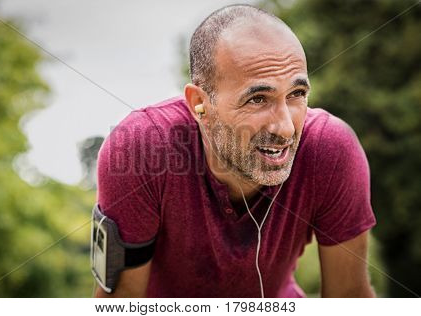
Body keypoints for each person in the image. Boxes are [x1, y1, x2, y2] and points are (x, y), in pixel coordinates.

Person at [95, 4, 377, 298]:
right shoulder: (140, 149)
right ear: (199, 104)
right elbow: (118, 305)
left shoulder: (331, 149)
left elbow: (350, 298)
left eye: (296, 94)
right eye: (257, 99)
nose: (285, 129)